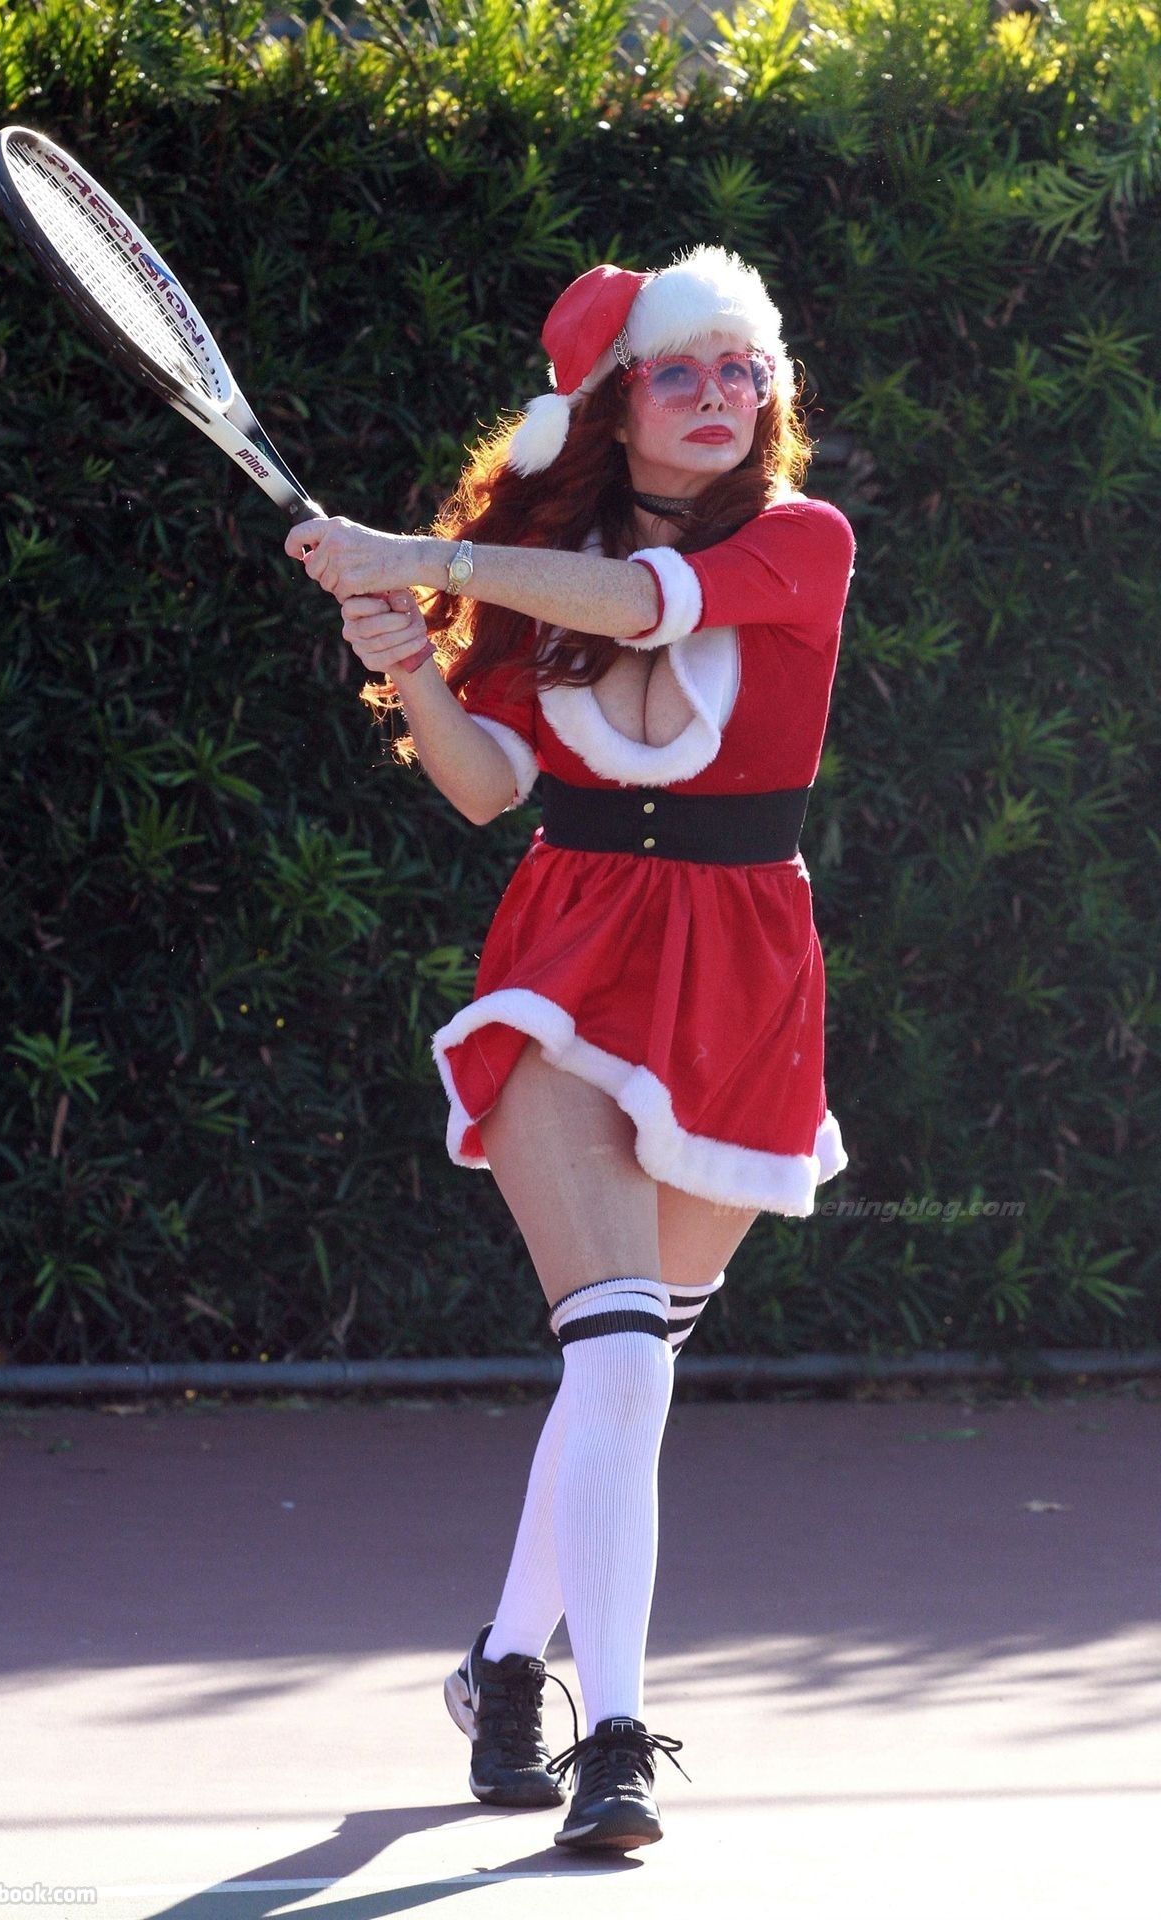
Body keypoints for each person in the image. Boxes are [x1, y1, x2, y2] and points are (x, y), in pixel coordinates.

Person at [286, 245, 857, 1853]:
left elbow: (649, 603)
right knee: (613, 1360)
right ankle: (614, 1736)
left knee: (629, 1372)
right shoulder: (536, 573)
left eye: (743, 370)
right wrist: (412, 653)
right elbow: (485, 788)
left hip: (744, 975)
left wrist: (419, 559)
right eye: (681, 371)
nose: (719, 395)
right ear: (617, 405)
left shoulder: (802, 539)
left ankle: (500, 1665)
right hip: (572, 957)